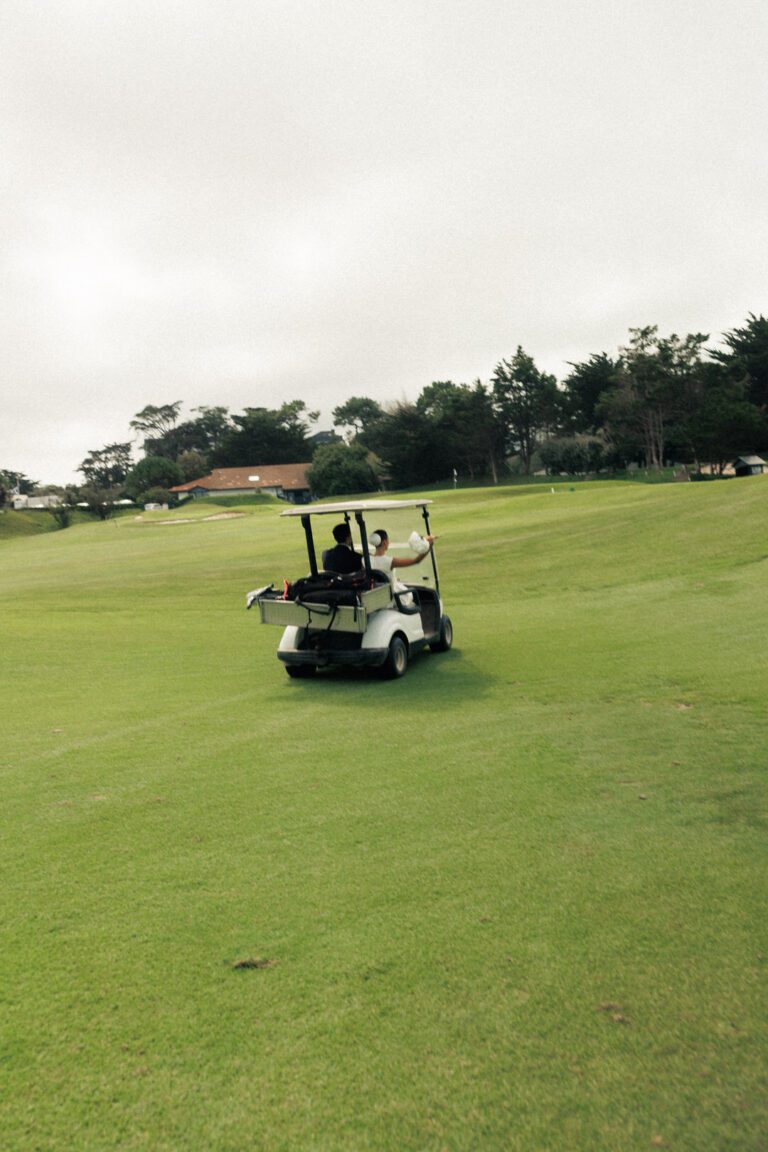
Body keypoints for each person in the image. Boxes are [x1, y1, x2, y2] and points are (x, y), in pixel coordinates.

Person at [369, 528, 435, 604]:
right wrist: (429, 545)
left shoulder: (364, 560)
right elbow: (416, 561)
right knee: (411, 597)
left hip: (375, 598)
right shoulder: (390, 561)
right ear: (384, 542)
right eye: (388, 540)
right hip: (390, 598)